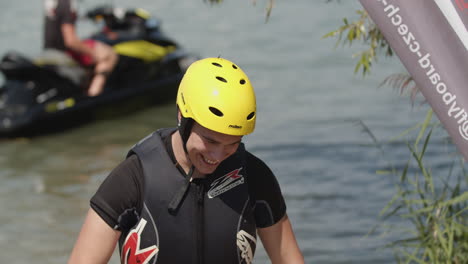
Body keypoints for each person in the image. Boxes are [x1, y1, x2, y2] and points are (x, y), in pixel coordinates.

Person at [67, 57, 305, 264]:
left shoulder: (253, 176)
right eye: (210, 141)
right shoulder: (133, 178)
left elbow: (289, 259)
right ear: (182, 116)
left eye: (232, 143)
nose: (218, 156)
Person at [43, 0, 118, 96]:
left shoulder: (53, 2)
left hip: (50, 50)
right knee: (109, 54)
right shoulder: (68, 4)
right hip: (64, 52)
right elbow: (70, 42)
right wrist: (93, 53)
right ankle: (94, 94)